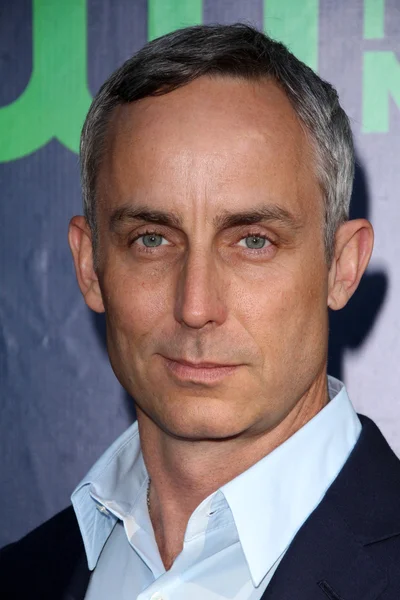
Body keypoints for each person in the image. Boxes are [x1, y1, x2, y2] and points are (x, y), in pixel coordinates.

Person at [1, 23, 400, 600]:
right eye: (152, 239)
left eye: (254, 241)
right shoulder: (21, 576)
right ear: (90, 266)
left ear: (342, 266)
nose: (195, 307)